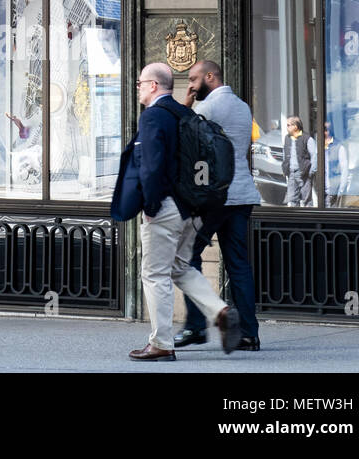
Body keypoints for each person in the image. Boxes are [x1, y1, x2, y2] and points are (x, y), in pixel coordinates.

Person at [111, 62, 240, 362]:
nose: (139, 87)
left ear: (154, 85)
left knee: (154, 274)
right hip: (191, 209)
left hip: (165, 208)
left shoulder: (154, 116)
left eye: (141, 82)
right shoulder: (184, 112)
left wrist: (151, 207)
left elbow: (152, 165)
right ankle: (219, 310)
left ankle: (161, 343)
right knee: (180, 267)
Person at [175, 60, 261, 352]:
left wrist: (185, 107)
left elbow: (184, 138)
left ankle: (197, 326)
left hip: (216, 196)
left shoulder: (208, 107)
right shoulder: (242, 106)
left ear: (210, 77)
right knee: (238, 264)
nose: (190, 85)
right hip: (243, 194)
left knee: (186, 257)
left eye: (193, 79)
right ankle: (249, 334)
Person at [282, 116, 316, 206]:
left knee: (307, 200)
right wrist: (285, 168)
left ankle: (308, 219)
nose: (287, 127)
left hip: (303, 173)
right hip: (291, 173)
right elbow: (285, 154)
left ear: (295, 126)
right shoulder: (287, 138)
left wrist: (311, 171)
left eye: (289, 125)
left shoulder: (307, 138)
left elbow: (314, 155)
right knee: (292, 199)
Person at [323, 122, 350, 207]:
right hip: (322, 189)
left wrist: (341, 190)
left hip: (333, 189)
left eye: (326, 130)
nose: (324, 132)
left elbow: (344, 169)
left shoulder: (339, 147)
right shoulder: (319, 145)